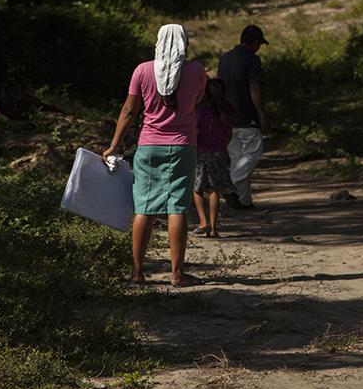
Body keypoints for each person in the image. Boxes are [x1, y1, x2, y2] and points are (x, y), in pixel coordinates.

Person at [102, 23, 207, 286]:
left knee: (144, 209)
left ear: (158, 42)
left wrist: (114, 144)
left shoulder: (142, 70)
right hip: (183, 146)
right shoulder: (196, 71)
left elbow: (128, 111)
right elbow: (196, 100)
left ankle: (137, 274)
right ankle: (177, 274)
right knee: (177, 207)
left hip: (149, 147)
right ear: (184, 43)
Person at [218, 24, 271, 209]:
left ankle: (243, 201)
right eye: (259, 43)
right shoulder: (252, 59)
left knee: (237, 157)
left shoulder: (224, 58)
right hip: (246, 115)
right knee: (252, 155)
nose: (259, 47)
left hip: (227, 116)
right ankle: (228, 186)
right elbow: (254, 89)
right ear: (255, 41)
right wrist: (261, 114)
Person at [192, 78, 235, 238]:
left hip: (202, 151)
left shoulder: (201, 110)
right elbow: (229, 133)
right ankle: (214, 228)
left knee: (197, 188)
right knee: (214, 189)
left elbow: (195, 130)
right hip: (219, 151)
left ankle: (203, 221)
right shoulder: (227, 109)